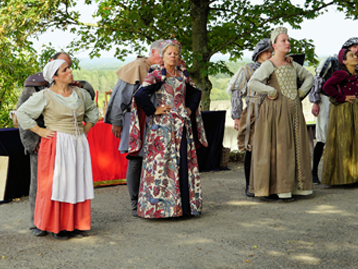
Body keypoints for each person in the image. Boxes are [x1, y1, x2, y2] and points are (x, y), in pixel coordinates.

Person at [15, 59, 99, 239]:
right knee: (57, 184)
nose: (70, 71)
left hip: (77, 143)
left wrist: (87, 127)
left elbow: (92, 109)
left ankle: (74, 225)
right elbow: (22, 112)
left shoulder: (80, 93)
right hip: (56, 143)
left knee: (76, 181)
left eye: (69, 68)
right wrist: (39, 130)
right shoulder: (45, 95)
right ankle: (57, 226)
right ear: (54, 76)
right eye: (65, 70)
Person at [130, 39, 208, 218]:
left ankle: (184, 208)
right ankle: (161, 209)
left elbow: (196, 92)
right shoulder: (157, 74)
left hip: (182, 125)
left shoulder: (182, 74)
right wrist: (154, 110)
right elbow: (140, 94)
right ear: (163, 56)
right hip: (163, 127)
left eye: (175, 53)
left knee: (182, 162)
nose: (173, 56)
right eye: (169, 53)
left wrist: (189, 108)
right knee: (162, 164)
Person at [246, 26, 314, 201]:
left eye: (288, 40)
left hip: (294, 110)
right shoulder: (269, 64)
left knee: (296, 144)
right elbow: (252, 82)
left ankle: (297, 186)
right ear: (274, 45)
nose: (287, 43)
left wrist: (301, 93)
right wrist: (270, 90)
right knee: (281, 147)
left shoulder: (291, 63)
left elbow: (309, 77)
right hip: (276, 111)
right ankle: (280, 188)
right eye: (283, 40)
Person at [15, 52, 76, 237]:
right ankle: (38, 222)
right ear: (51, 63)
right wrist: (32, 143)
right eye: (63, 64)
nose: (68, 68)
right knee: (40, 184)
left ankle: (62, 222)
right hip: (41, 140)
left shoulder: (70, 84)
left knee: (63, 183)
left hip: (64, 141)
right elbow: (22, 113)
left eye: (68, 64)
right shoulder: (34, 83)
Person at [104, 40, 163, 217]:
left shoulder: (163, 68)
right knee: (136, 159)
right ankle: (135, 203)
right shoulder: (137, 67)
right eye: (163, 53)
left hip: (157, 119)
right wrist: (116, 121)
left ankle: (152, 200)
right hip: (136, 119)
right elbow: (120, 95)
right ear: (153, 52)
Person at [309, 37, 358, 183]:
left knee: (345, 136)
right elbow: (318, 80)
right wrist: (315, 101)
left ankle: (346, 172)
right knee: (323, 135)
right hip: (326, 99)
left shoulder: (356, 67)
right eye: (355, 47)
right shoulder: (330, 61)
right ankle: (314, 173)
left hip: (345, 105)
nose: (357, 51)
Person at [321, 48, 358, 185]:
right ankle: (347, 176)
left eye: (355, 55)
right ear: (344, 60)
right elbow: (327, 86)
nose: (355, 57)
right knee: (347, 140)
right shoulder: (341, 74)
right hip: (347, 111)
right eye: (351, 55)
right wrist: (340, 97)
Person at [226, 38, 273, 197]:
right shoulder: (247, 69)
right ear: (259, 53)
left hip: (273, 110)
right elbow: (236, 91)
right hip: (253, 110)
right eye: (267, 51)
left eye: (271, 51)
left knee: (271, 148)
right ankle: (249, 184)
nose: (269, 54)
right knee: (251, 147)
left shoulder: (276, 68)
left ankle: (269, 185)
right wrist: (237, 116)